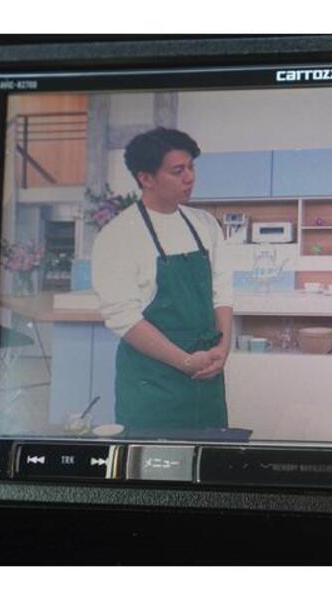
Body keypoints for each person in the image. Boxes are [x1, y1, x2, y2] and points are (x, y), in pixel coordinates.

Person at [92, 127, 233, 431]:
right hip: (153, 383)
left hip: (207, 374)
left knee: (209, 455)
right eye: (178, 171)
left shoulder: (205, 224)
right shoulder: (118, 235)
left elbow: (222, 292)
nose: (189, 178)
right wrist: (184, 361)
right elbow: (123, 317)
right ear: (146, 178)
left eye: (191, 167)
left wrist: (223, 348)